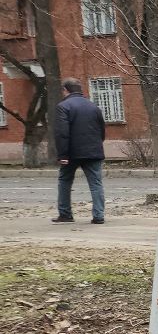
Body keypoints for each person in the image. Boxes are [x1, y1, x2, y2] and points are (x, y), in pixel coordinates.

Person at [52, 78, 107, 225]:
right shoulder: (93, 106)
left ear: (65, 90)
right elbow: (102, 130)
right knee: (96, 183)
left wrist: (62, 154)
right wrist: (96, 145)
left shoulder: (63, 106)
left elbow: (62, 133)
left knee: (64, 180)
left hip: (72, 153)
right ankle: (99, 216)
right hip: (94, 151)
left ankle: (65, 214)